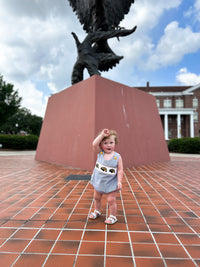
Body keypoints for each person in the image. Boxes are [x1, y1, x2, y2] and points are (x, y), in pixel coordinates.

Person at [89, 129, 123, 224]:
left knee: (111, 200)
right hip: (98, 181)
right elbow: (94, 144)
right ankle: (97, 210)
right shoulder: (100, 153)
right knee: (96, 197)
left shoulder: (117, 157)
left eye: (111, 142)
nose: (108, 145)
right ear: (101, 144)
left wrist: (119, 181)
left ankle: (113, 216)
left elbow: (120, 170)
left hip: (110, 182)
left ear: (115, 143)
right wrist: (101, 136)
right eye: (105, 143)